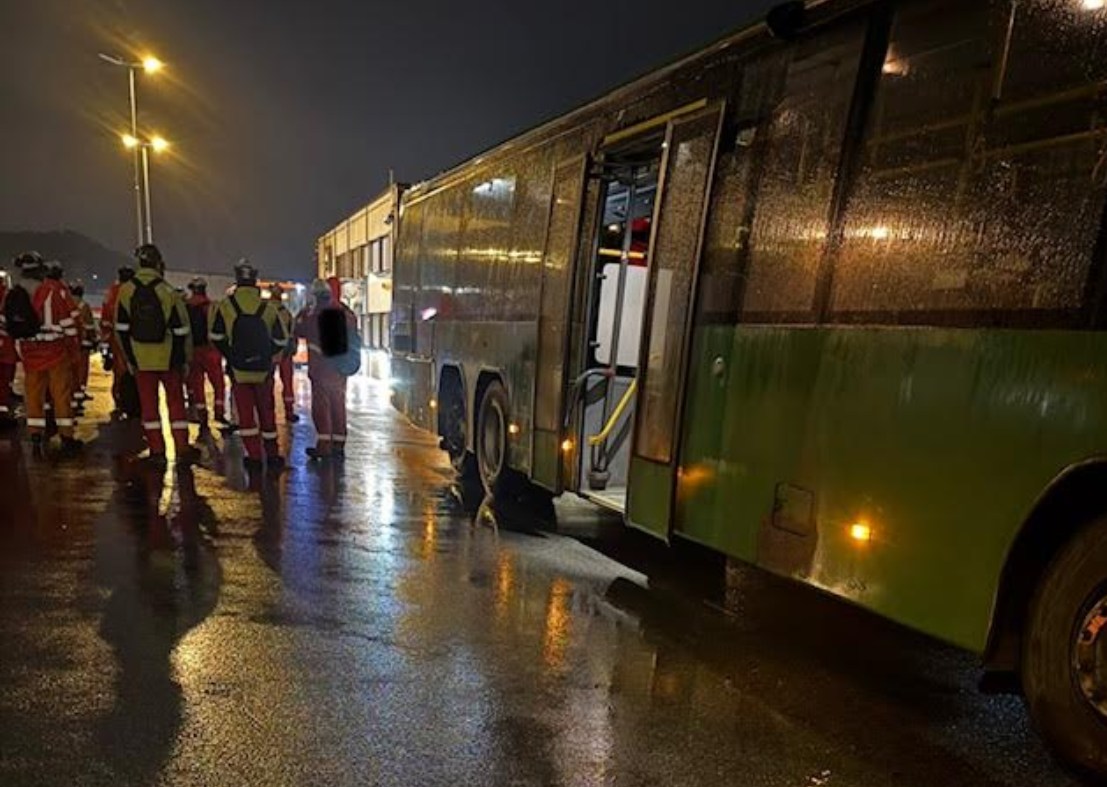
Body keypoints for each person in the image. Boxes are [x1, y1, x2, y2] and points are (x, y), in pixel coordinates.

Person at [114, 244, 196, 467]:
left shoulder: (126, 291)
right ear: (159, 264)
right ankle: (182, 448)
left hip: (141, 359)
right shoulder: (168, 291)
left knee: (149, 407)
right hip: (168, 358)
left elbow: (120, 329)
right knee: (176, 404)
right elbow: (182, 329)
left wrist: (130, 358)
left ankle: (157, 451)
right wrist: (184, 359)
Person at [210, 259, 287, 470]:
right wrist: (266, 355)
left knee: (246, 416)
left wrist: (232, 355)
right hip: (263, 371)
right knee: (267, 414)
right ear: (255, 282)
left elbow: (216, 337)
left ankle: (253, 457)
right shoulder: (268, 308)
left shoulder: (225, 306)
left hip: (239, 372)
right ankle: (272, 454)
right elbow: (281, 339)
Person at [8, 252, 82, 454]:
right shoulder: (51, 291)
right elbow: (67, 323)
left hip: (30, 353)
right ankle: (66, 437)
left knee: (33, 396)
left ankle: (35, 435)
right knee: (61, 395)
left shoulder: (15, 292)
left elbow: (8, 323)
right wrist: (73, 349)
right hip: (55, 351)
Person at [295, 278, 359, 461]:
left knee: (321, 408)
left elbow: (298, 329)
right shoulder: (344, 312)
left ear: (315, 296)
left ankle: (324, 446)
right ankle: (339, 444)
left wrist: (305, 309)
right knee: (338, 405)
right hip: (340, 368)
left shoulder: (313, 315)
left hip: (320, 369)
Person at [185, 277, 228, 431]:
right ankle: (219, 413)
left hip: (192, 351)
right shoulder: (212, 307)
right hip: (211, 351)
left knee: (197, 385)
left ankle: (202, 417)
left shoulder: (185, 307)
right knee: (218, 384)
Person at [101, 265, 136, 418]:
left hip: (116, 339)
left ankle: (120, 400)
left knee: (119, 372)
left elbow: (105, 319)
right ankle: (134, 403)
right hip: (135, 339)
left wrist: (106, 340)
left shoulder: (112, 292)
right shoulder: (134, 290)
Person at [268, 283, 299, 423]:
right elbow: (293, 332)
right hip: (285, 352)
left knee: (268, 382)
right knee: (287, 382)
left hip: (269, 352)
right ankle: (289, 411)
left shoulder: (265, 311)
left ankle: (268, 411)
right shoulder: (286, 312)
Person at [69, 280, 97, 413]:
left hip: (70, 344)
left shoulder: (67, 304)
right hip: (83, 344)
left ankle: (72, 395)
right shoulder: (84, 306)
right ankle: (80, 394)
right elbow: (90, 326)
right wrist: (94, 339)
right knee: (82, 371)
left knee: (71, 372)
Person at [0, 270, 19, 427]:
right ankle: (2, 413)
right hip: (5, 346)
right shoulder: (8, 296)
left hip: (6, 344)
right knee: (4, 380)